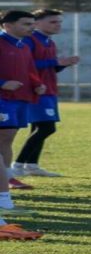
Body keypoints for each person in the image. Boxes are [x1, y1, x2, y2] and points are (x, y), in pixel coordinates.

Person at [11, 9, 79, 178]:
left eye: (59, 22)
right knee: (47, 128)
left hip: (49, 90)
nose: (58, 25)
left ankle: (31, 165)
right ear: (37, 23)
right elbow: (26, 64)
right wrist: (54, 61)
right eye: (53, 22)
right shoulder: (30, 40)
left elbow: (50, 68)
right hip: (36, 91)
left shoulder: (49, 42)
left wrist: (63, 64)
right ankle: (18, 165)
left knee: (38, 127)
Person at [0, 10, 45, 192]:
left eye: (32, 24)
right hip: (3, 98)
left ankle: (7, 176)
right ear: (7, 25)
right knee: (5, 135)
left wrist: (36, 84)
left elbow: (30, 70)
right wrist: (2, 83)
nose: (32, 27)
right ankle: (7, 179)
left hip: (20, 98)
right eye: (26, 24)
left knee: (8, 138)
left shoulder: (23, 46)